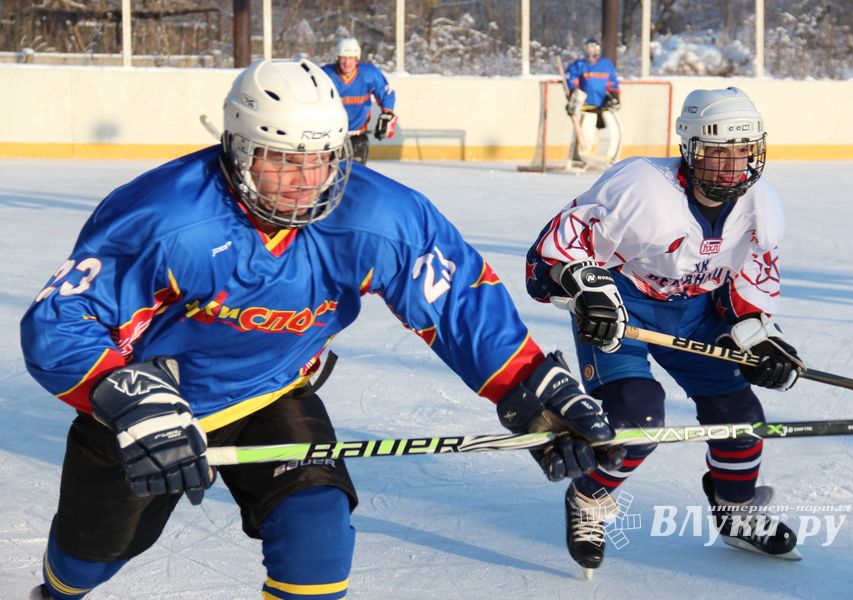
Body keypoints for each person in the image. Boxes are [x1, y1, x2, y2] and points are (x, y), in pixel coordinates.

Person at [21, 58, 618, 600]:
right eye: (283, 159)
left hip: (274, 392)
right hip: (153, 408)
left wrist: (529, 386)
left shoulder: (376, 215)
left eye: (321, 158)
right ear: (236, 147)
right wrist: (127, 400)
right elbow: (61, 320)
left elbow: (457, 303)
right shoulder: (166, 217)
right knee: (87, 562)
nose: (306, 180)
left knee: (318, 539)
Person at [525, 87, 805, 573]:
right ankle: (589, 498)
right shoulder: (641, 188)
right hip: (624, 308)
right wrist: (583, 290)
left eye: (743, 152)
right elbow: (549, 253)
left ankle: (736, 509)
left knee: (740, 415)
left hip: (695, 311)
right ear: (690, 150)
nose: (732, 168)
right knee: (638, 416)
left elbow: (747, 284)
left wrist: (760, 338)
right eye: (718, 154)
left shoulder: (762, 206)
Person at [321, 37, 397, 165]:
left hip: (357, 136)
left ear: (357, 59)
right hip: (330, 136)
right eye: (343, 58)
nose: (347, 62)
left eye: (351, 58)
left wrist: (387, 114)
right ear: (337, 58)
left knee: (355, 176)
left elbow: (386, 94)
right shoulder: (325, 74)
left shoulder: (369, 74)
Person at [563, 38, 622, 168]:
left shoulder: (606, 65)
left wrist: (614, 96)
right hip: (586, 108)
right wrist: (573, 96)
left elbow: (613, 83)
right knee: (585, 135)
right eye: (587, 49)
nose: (590, 53)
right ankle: (579, 161)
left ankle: (611, 161)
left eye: (592, 49)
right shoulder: (579, 65)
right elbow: (571, 80)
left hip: (604, 109)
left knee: (614, 135)